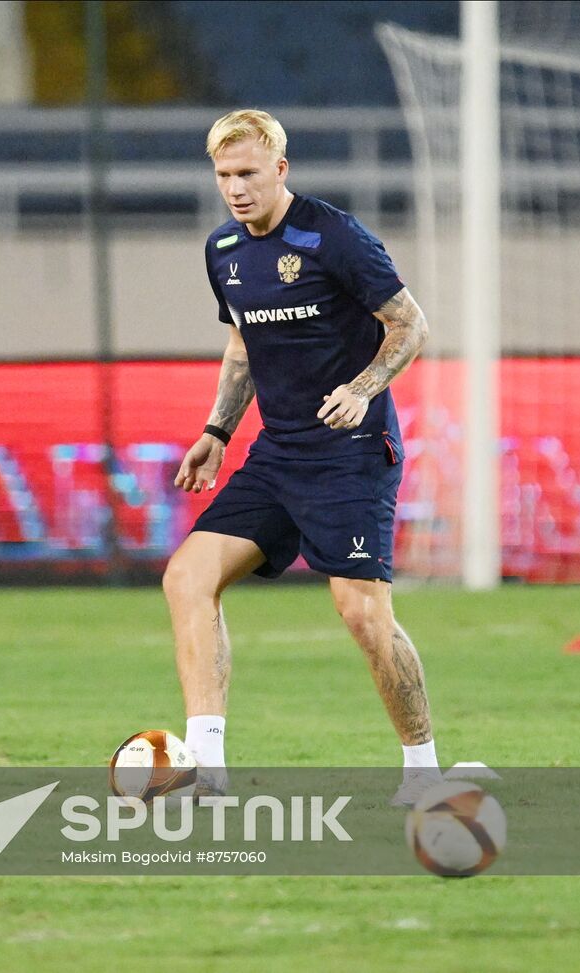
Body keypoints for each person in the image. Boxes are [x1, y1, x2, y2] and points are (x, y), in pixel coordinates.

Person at [163, 109, 438, 806]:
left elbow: (409, 324)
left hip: (349, 452)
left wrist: (363, 387)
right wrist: (217, 431)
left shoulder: (335, 236)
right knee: (187, 577)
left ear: (280, 169)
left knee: (362, 616)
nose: (235, 188)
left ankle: (424, 770)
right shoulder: (223, 248)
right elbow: (242, 346)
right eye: (224, 176)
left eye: (248, 173)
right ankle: (207, 766)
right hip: (277, 452)